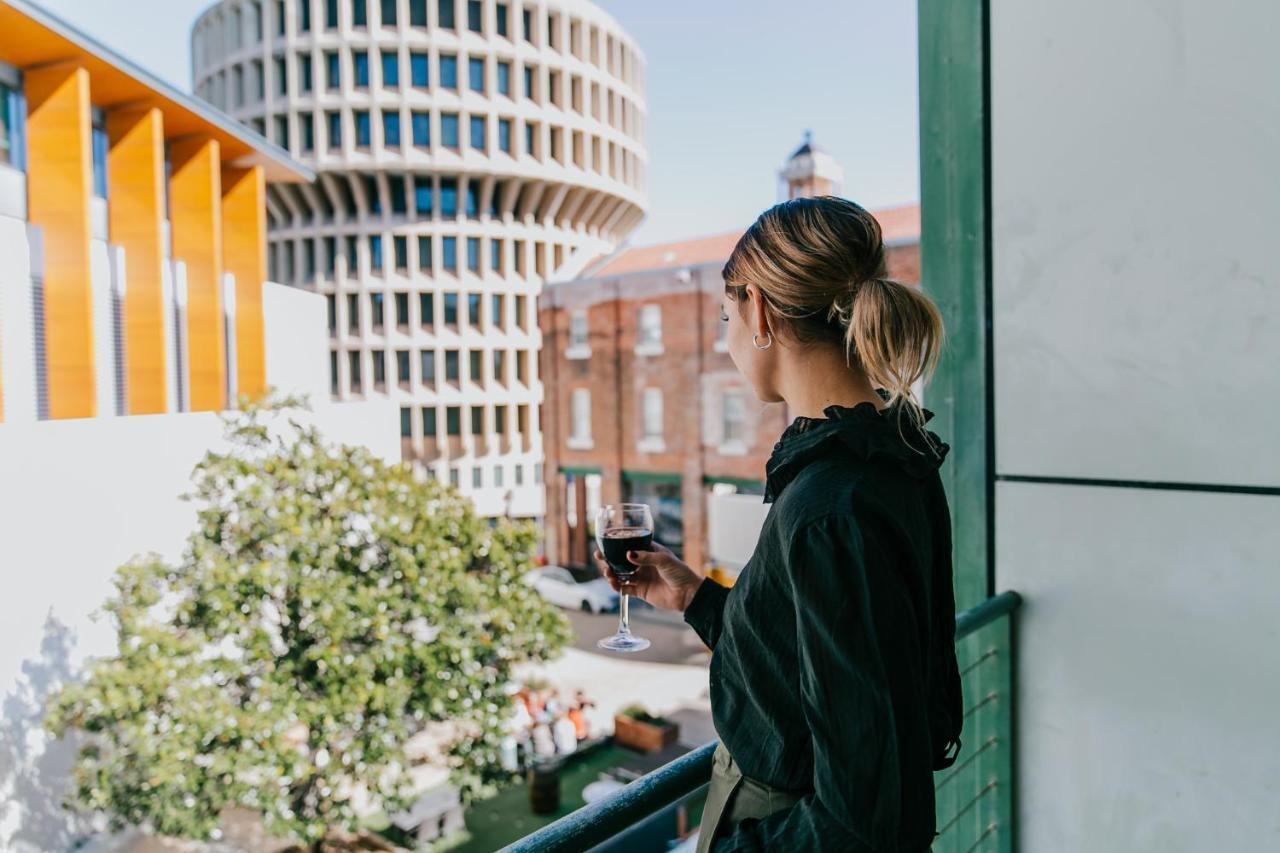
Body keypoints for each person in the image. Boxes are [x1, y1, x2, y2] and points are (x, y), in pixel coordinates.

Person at [595, 197, 962, 852]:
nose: (729, 332)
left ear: (758, 309)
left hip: (778, 825)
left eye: (726, 313)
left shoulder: (831, 506)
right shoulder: (889, 452)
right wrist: (694, 597)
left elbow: (857, 816)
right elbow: (817, 660)